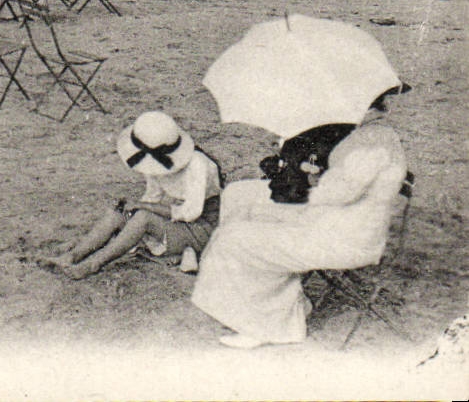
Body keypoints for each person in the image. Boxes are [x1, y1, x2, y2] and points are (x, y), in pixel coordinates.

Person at [191, 87, 409, 349]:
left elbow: (337, 192)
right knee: (241, 197)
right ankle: (256, 299)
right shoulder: (367, 134)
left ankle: (267, 325)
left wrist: (311, 176)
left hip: (344, 237)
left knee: (236, 237)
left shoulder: (369, 144)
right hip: (336, 220)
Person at [44, 111, 222, 279]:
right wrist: (131, 209)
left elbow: (191, 212)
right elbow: (153, 195)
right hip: (176, 219)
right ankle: (73, 256)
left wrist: (144, 208)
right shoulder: (151, 160)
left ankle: (93, 264)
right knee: (118, 214)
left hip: (201, 227)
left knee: (143, 218)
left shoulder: (198, 165)